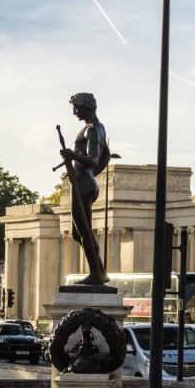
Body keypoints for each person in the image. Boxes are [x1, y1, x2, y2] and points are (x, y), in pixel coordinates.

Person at [59, 92, 110, 285]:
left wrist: (74, 158)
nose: (74, 112)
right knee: (77, 232)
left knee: (85, 231)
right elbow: (107, 156)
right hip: (84, 181)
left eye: (76, 108)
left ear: (85, 107)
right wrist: (91, 173)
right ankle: (100, 270)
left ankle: (96, 274)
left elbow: (95, 159)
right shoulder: (99, 128)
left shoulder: (92, 130)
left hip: (83, 184)